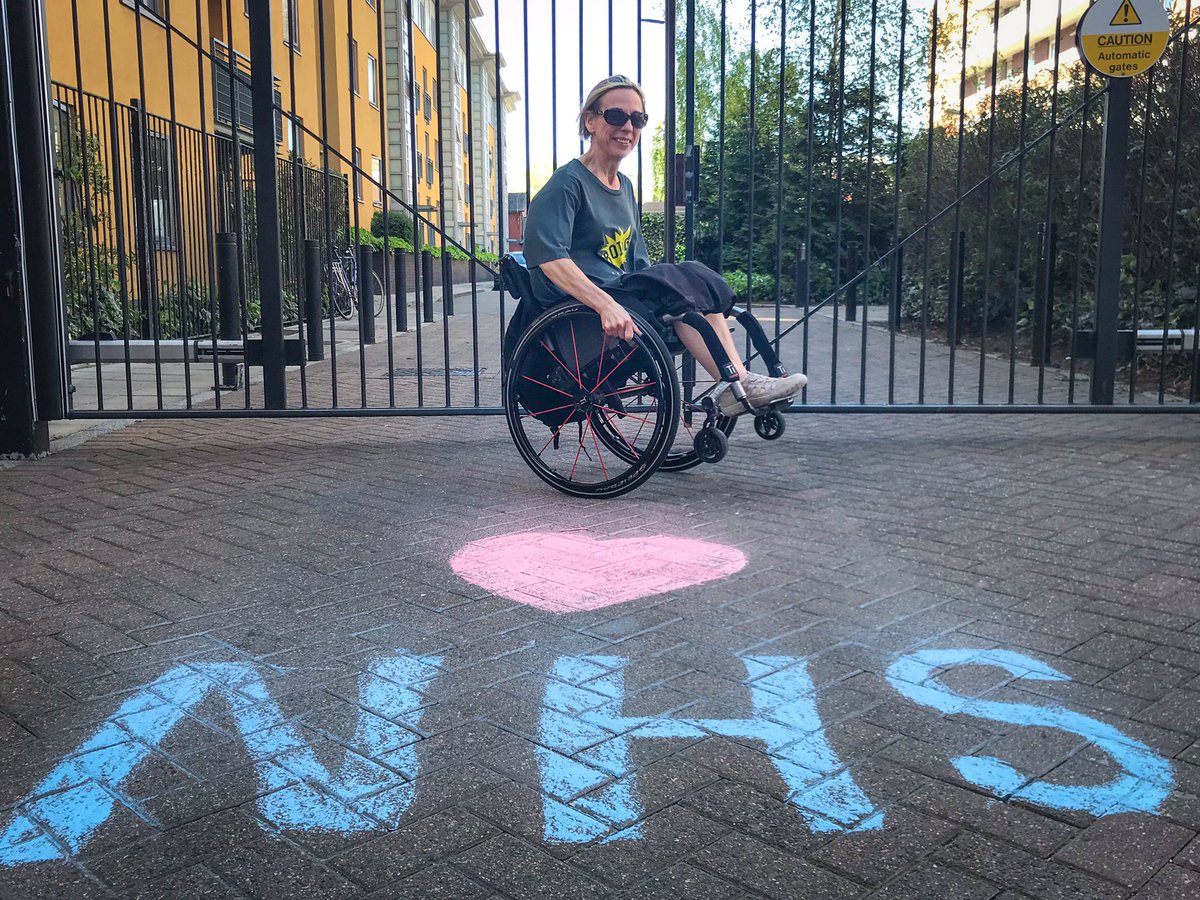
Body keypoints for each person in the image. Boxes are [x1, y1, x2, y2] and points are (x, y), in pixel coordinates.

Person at [522, 74, 806, 418]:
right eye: (616, 116)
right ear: (591, 121)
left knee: (694, 279)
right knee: (679, 290)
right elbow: (548, 258)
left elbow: (637, 263)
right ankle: (739, 383)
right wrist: (605, 304)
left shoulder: (623, 186)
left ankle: (738, 381)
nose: (627, 126)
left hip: (621, 291)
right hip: (584, 307)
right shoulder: (567, 183)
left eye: (637, 119)